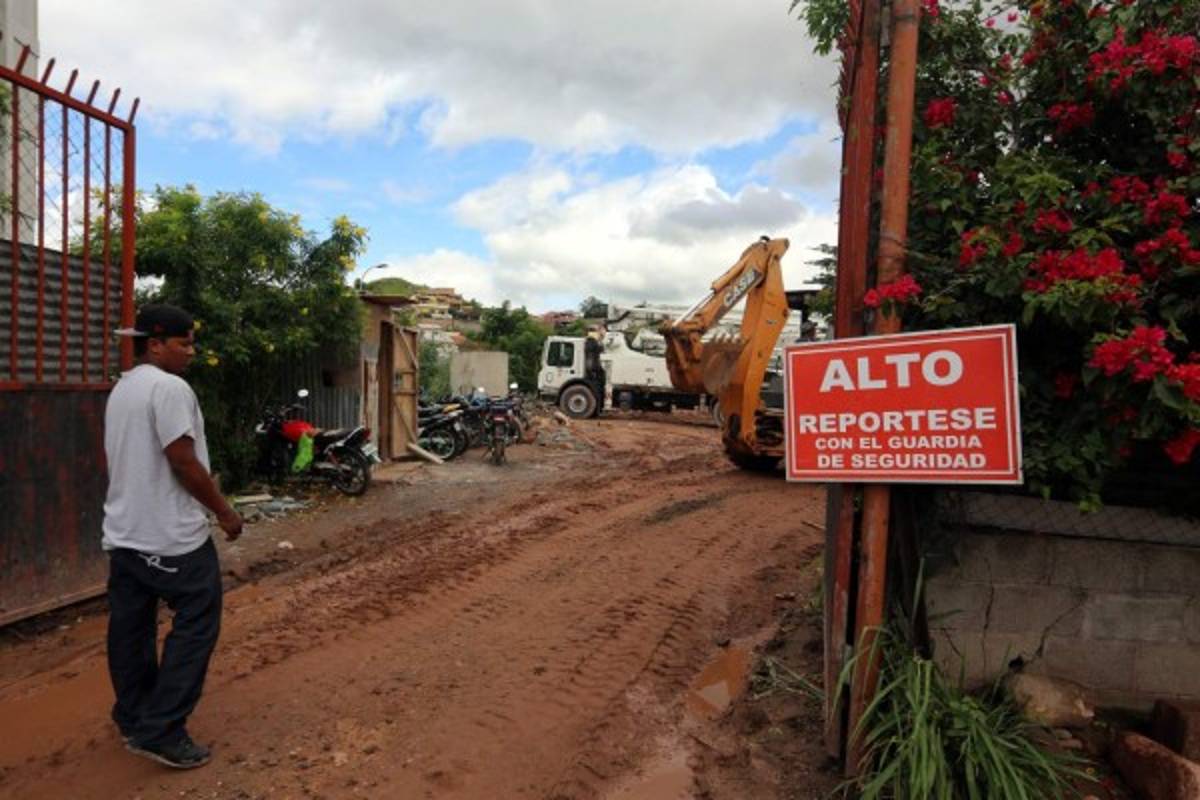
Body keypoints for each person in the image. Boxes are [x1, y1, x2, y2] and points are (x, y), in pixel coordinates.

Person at [103, 304, 243, 769]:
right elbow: (182, 461)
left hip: (125, 534)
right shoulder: (169, 388)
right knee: (197, 623)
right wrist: (224, 512)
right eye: (183, 344)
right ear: (155, 344)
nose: (191, 352)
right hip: (170, 538)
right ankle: (161, 730)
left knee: (131, 628)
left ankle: (134, 714)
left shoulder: (124, 388)